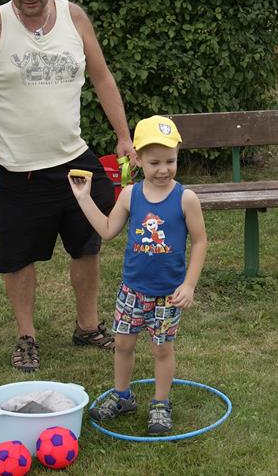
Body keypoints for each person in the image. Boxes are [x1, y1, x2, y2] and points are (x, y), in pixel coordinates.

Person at [0, 0, 135, 372]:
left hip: (74, 159)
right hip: (16, 168)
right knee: (17, 257)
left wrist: (124, 136)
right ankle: (26, 337)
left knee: (87, 246)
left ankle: (87, 326)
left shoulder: (75, 17)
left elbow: (101, 76)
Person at [68, 115, 207, 435]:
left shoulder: (185, 198)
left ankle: (160, 403)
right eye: (154, 162)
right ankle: (122, 396)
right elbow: (107, 230)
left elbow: (200, 241)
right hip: (133, 291)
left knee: (162, 349)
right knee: (123, 344)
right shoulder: (131, 195)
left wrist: (189, 285)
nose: (163, 169)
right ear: (138, 159)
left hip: (168, 294)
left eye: (170, 161)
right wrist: (84, 198)